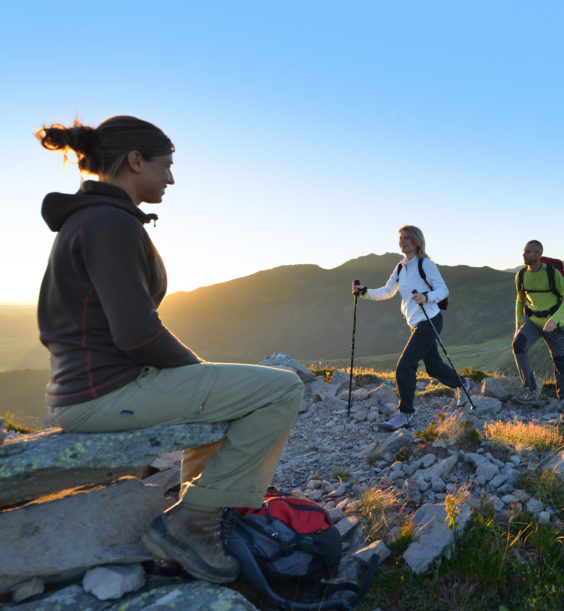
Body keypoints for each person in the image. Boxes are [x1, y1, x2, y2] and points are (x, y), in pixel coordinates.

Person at [35, 116, 304, 585]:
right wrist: (195, 372)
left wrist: (196, 380)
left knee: (231, 396)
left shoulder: (93, 219)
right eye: (166, 165)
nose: (172, 178)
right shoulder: (108, 223)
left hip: (90, 386)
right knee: (281, 389)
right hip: (107, 391)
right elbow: (136, 333)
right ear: (135, 160)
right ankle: (194, 521)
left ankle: (195, 503)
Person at [352, 225, 471, 431]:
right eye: (400, 238)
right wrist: (364, 292)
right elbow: (388, 291)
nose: (402, 241)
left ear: (416, 240)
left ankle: (405, 414)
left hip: (430, 320)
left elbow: (443, 290)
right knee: (433, 367)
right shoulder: (400, 267)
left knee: (405, 366)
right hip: (415, 323)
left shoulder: (426, 264)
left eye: (407, 238)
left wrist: (427, 297)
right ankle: (463, 384)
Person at [512, 240, 564, 402]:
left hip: (554, 325)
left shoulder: (552, 273)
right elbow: (520, 300)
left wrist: (554, 320)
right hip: (533, 322)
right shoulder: (521, 275)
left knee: (559, 360)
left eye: (528, 252)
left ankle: (563, 399)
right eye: (524, 251)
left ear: (538, 255)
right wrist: (518, 324)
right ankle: (530, 389)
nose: (524, 255)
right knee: (518, 347)